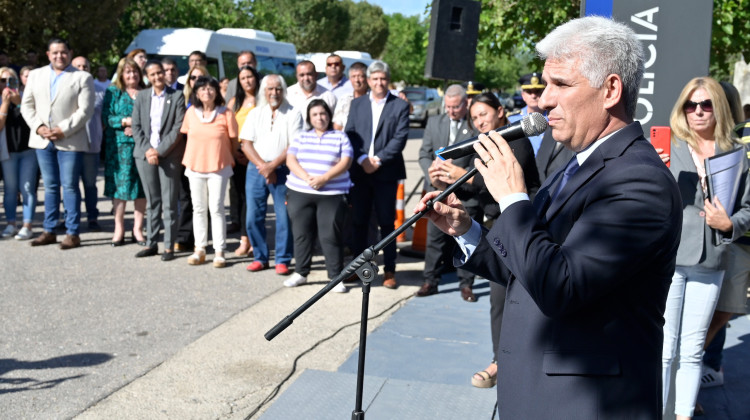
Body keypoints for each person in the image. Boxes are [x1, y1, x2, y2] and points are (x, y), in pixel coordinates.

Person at [416, 16, 682, 418]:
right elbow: (525, 266)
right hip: (534, 395)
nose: (543, 101)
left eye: (561, 84)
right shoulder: (576, 163)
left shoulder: (639, 180)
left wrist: (512, 197)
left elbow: (560, 285)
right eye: (545, 85)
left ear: (610, 89)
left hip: (583, 405)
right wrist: (466, 229)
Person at [660, 77, 750, 420]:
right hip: (670, 257)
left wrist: (730, 224)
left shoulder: (735, 152)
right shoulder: (669, 146)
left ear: (719, 108)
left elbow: (747, 208)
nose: (698, 111)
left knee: (693, 349)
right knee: (666, 350)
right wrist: (656, 170)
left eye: (706, 104)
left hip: (711, 259)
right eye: (691, 105)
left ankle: (683, 415)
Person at [21, 37, 95, 249]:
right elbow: (27, 106)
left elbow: (85, 110)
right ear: (48, 54)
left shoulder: (82, 77)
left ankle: (72, 233)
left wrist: (63, 129)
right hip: (42, 139)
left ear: (70, 53)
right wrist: (38, 127)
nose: (59, 56)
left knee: (70, 186)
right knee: (51, 186)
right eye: (55, 53)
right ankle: (49, 230)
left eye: (63, 52)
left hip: (70, 140)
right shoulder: (35, 75)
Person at [701, 81, 750, 390]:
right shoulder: (737, 135)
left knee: (722, 312)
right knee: (712, 313)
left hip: (738, 238)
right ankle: (684, 382)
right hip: (731, 239)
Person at [345, 61, 409, 289]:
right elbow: (350, 134)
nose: (379, 83)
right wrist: (362, 159)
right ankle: (359, 267)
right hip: (361, 172)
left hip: (386, 173)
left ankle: (389, 270)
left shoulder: (399, 106)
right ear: (369, 80)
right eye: (375, 79)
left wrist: (378, 160)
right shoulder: (357, 104)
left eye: (383, 79)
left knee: (386, 223)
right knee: (359, 222)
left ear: (387, 80)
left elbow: (400, 138)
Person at [283, 99, 353, 291]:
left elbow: (346, 161)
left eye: (322, 113)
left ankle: (335, 277)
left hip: (332, 192)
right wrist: (307, 178)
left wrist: (324, 178)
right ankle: (300, 272)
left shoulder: (340, 137)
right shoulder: (300, 137)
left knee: (330, 235)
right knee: (301, 234)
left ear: (329, 116)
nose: (319, 118)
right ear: (309, 118)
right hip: (301, 191)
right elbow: (290, 159)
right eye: (314, 114)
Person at [416, 84, 477, 300]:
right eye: (448, 106)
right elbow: (423, 154)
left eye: (455, 106)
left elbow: (477, 162)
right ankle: (429, 281)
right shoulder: (434, 122)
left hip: (465, 193)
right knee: (434, 239)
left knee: (465, 239)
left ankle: (466, 284)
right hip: (437, 191)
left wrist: (460, 175)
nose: (451, 111)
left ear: (465, 103)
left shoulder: (474, 125)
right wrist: (430, 173)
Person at [240, 74, 302, 275]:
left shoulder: (293, 113)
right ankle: (260, 257)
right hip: (256, 170)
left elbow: (294, 145)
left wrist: (273, 166)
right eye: (270, 89)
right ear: (263, 92)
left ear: (283, 91)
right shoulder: (255, 113)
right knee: (253, 217)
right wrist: (263, 167)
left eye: (277, 89)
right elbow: (246, 144)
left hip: (283, 171)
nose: (274, 93)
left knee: (284, 217)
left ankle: (283, 259)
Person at [132, 60, 186, 262]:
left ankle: (169, 246)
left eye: (159, 73)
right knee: (152, 201)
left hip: (169, 156)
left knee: (169, 202)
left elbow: (178, 129)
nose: (157, 77)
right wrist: (148, 150)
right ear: (147, 77)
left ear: (165, 74)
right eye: (152, 74)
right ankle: (151, 243)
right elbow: (136, 126)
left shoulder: (177, 96)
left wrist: (159, 151)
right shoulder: (142, 96)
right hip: (145, 156)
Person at [180, 76, 237, 267]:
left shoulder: (226, 113)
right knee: (199, 208)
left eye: (211, 88)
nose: (207, 92)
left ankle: (220, 251)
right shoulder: (190, 113)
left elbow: (234, 140)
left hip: (219, 166)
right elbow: (186, 136)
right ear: (196, 93)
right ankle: (200, 248)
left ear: (217, 91)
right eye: (202, 89)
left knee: (217, 209)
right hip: (195, 166)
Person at [103, 58, 147, 247]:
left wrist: (137, 127)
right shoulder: (113, 92)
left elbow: (154, 118)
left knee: (140, 188)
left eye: (135, 71)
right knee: (119, 189)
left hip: (142, 145)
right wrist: (126, 122)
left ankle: (138, 228)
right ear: (121, 74)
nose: (132, 75)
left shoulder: (147, 92)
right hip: (119, 147)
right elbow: (107, 118)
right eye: (128, 72)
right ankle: (119, 227)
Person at [173, 64, 210, 251]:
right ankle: (185, 236)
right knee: (187, 197)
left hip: (208, 155)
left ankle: (203, 237)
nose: (196, 81)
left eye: (201, 78)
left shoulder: (211, 100)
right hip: (186, 153)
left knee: (207, 198)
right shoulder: (182, 99)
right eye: (193, 78)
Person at [226, 65, 261, 258]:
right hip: (238, 155)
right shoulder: (234, 102)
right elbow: (229, 130)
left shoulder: (263, 100)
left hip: (256, 155)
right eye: (243, 78)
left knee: (254, 201)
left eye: (250, 77)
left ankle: (254, 240)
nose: (247, 81)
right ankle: (244, 239)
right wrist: (235, 152)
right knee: (239, 199)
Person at [0, 67, 38, 240]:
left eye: (10, 80)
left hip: (28, 149)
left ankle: (27, 225)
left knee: (28, 188)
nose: (6, 84)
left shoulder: (27, 95)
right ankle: (11, 224)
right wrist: (6, 104)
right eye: (2, 81)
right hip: (8, 150)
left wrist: (20, 102)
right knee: (10, 189)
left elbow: (36, 119)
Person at [72, 56, 104, 232]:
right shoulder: (66, 89)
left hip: (91, 146)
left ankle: (92, 217)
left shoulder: (99, 91)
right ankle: (72, 218)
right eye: (78, 66)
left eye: (85, 66)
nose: (82, 69)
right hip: (70, 146)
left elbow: (104, 119)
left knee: (90, 185)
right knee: (70, 185)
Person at [286, 60, 336, 126]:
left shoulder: (328, 96)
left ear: (316, 75)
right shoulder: (287, 94)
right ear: (296, 76)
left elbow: (334, 123)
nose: (306, 78)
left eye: (309, 74)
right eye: (302, 75)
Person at [508, 72, 547, 155]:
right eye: (529, 92)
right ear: (523, 95)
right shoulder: (512, 119)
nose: (533, 96)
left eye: (537, 91)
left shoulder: (553, 117)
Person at [332, 61, 368, 131]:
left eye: (360, 76)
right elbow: (337, 126)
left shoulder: (373, 98)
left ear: (367, 78)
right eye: (353, 77)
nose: (356, 80)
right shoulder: (344, 99)